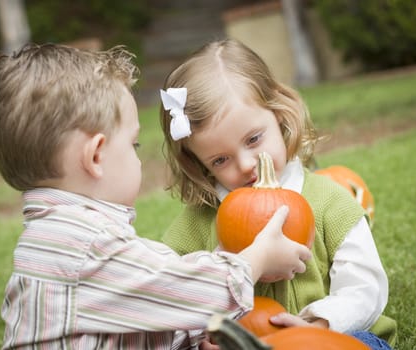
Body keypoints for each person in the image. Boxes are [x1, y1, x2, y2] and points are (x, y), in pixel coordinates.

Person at [0, 42, 312, 350]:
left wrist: (196, 337)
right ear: (96, 156)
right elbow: (188, 293)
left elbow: (145, 307)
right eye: (133, 144)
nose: (138, 156)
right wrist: (257, 259)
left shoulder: (52, 241)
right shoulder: (86, 249)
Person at [159, 39, 397, 349]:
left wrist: (320, 323)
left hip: (331, 337)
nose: (246, 165)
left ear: (279, 114)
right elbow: (167, 287)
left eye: (254, 139)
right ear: (199, 164)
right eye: (220, 160)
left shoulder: (329, 201)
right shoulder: (197, 222)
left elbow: (365, 286)